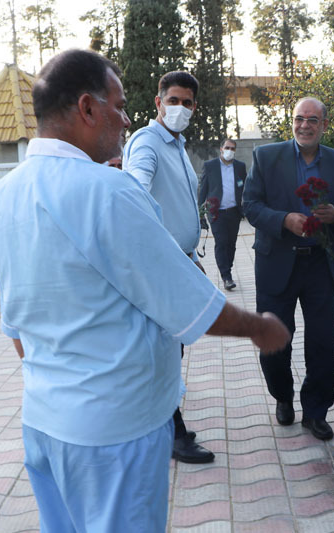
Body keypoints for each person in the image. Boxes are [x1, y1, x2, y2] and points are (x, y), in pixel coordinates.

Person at [0, 49, 289, 533]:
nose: (126, 121)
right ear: (87, 108)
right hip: (114, 432)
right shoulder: (108, 191)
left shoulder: (5, 193)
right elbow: (188, 303)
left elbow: (15, 325)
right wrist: (259, 327)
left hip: (43, 421)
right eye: (120, 106)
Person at [243, 97, 334, 441]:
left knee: (324, 342)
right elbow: (250, 205)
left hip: (320, 263)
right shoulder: (266, 156)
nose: (304, 125)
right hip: (276, 261)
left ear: (324, 125)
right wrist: (283, 220)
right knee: (274, 339)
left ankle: (316, 412)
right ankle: (282, 395)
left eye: (312, 120)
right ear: (291, 121)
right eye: (299, 119)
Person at [123, 70, 215, 464]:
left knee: (170, 352)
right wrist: (166, 256)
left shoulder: (176, 144)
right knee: (163, 354)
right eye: (173, 101)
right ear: (158, 102)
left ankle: (164, 426)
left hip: (180, 263)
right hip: (160, 269)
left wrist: (189, 256)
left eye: (187, 103)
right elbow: (136, 189)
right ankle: (171, 434)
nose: (180, 108)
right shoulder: (147, 142)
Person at [198, 138, 246, 290]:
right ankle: (226, 276)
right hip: (216, 212)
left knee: (231, 244)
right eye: (227, 147)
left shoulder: (240, 167)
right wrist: (200, 213)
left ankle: (227, 269)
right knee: (221, 242)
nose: (229, 151)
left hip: (234, 212)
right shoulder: (210, 166)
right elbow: (203, 190)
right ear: (221, 148)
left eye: (232, 148)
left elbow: (244, 187)